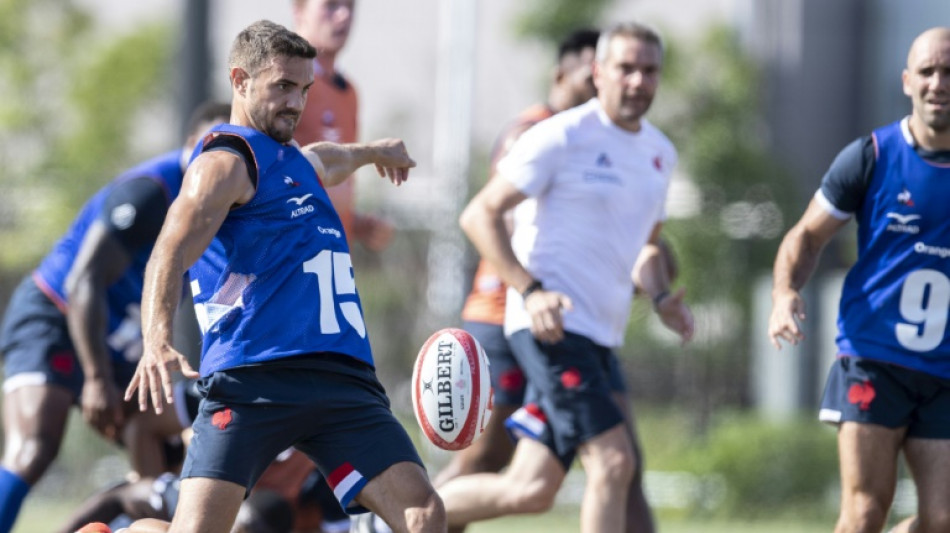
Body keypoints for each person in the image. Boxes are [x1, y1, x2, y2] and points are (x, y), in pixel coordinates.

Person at [122, 20, 443, 533]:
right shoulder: (227, 161)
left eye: (305, 89)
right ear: (240, 80)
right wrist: (157, 337)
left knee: (423, 513)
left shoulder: (294, 161)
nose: (297, 102)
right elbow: (170, 248)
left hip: (343, 382)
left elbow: (327, 161)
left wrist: (373, 151)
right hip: (254, 382)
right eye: (283, 87)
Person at [436, 22, 694, 533]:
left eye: (649, 70)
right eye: (625, 68)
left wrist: (663, 295)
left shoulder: (660, 154)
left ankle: (393, 518)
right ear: (598, 73)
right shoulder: (560, 135)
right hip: (550, 329)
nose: (637, 81)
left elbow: (645, 248)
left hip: (600, 335)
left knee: (530, 489)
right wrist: (530, 291)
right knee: (614, 462)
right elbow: (478, 215)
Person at [0, 101, 232, 533]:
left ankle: (111, 513)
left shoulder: (223, 208)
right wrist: (96, 376)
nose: (219, 159)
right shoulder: (151, 192)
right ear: (188, 147)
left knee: (167, 454)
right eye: (209, 145)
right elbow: (82, 281)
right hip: (55, 318)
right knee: (34, 447)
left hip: (116, 341)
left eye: (231, 149)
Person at [768, 27, 950, 533]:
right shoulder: (871, 156)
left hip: (946, 368)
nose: (939, 83)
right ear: (907, 80)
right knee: (865, 512)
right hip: (874, 359)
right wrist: (785, 293)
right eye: (929, 71)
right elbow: (805, 236)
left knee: (945, 519)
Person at [292, 0, 393, 252]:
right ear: (299, 11)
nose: (344, 15)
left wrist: (353, 221)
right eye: (331, 5)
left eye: (350, 6)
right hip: (292, 257)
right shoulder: (284, 83)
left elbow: (326, 179)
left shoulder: (348, 92)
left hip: (333, 254)